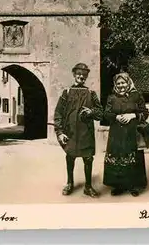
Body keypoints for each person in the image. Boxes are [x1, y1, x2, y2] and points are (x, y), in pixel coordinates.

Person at [54, 63, 103, 197]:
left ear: (86, 76)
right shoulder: (67, 92)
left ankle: (88, 186)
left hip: (86, 132)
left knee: (88, 158)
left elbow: (100, 113)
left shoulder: (91, 93)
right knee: (70, 156)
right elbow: (58, 113)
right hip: (70, 132)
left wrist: (91, 111)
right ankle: (69, 183)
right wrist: (59, 132)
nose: (81, 76)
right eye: (79, 74)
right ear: (74, 75)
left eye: (84, 74)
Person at [103, 72, 149, 197]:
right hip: (116, 133)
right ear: (115, 85)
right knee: (117, 157)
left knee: (133, 157)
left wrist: (132, 115)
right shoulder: (112, 98)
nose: (121, 85)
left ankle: (133, 185)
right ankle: (118, 186)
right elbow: (106, 114)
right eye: (118, 83)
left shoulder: (136, 96)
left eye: (123, 82)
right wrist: (116, 116)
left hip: (132, 132)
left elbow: (145, 113)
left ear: (128, 82)